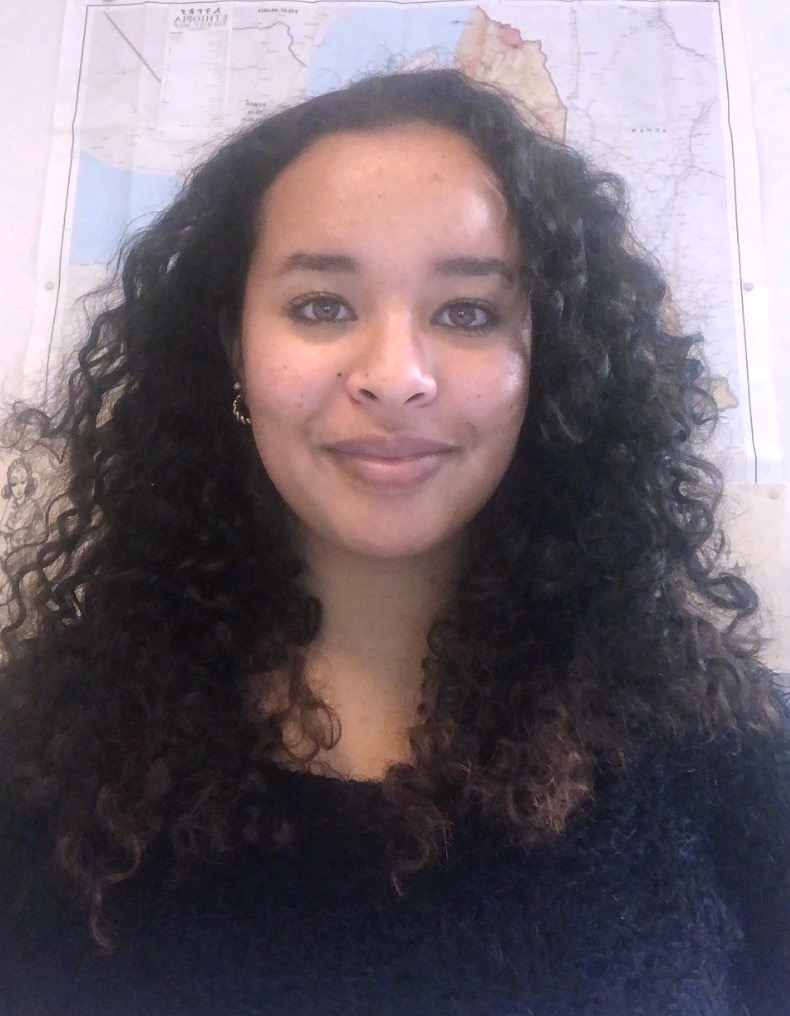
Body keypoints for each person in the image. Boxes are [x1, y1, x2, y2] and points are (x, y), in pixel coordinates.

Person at [0, 68, 787, 1016]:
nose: (394, 375)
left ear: (550, 363)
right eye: (321, 306)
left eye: (467, 312)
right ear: (234, 349)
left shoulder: (732, 756)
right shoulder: (38, 758)